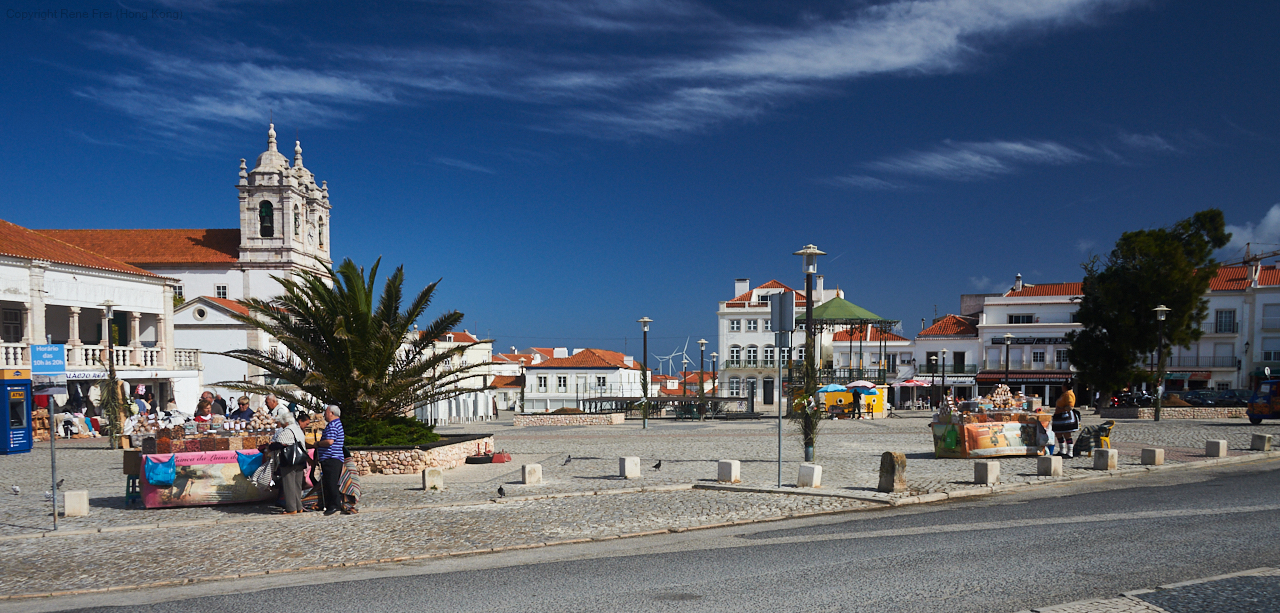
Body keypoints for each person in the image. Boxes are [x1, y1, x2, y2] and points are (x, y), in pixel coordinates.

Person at [269, 411, 307, 515]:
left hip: (290, 460)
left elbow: (280, 444)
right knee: (297, 485)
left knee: (289, 484)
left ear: (285, 423)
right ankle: (299, 506)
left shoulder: (287, 430)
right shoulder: (298, 429)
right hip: (300, 460)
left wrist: (270, 446)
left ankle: (291, 508)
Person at [313, 405, 345, 515]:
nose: (324, 414)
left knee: (331, 482)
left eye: (326, 412)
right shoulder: (335, 424)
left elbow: (329, 441)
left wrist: (318, 444)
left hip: (331, 458)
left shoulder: (333, 425)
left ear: (331, 413)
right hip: (330, 457)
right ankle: (330, 503)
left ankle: (335, 505)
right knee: (329, 482)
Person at [1052, 381, 1081, 457]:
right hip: (1059, 417)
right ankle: (1062, 450)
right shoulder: (1064, 394)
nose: (1061, 387)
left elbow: (1070, 406)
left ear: (1065, 386)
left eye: (1062, 385)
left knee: (1066, 433)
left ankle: (1070, 452)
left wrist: (1061, 410)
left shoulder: (1069, 394)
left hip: (1065, 417)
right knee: (1058, 433)